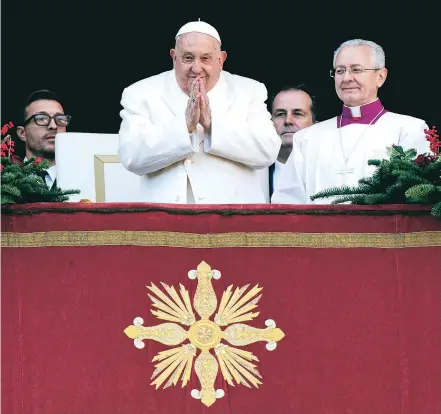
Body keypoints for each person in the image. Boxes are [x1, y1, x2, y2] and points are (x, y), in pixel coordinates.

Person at [117, 20, 281, 204]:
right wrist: (185, 126)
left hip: (234, 216)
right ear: (174, 57)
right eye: (188, 58)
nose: (196, 68)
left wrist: (212, 126)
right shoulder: (141, 93)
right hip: (167, 217)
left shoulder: (248, 90)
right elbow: (131, 156)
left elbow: (268, 151)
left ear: (221, 59)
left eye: (206, 58)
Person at [272, 39, 430, 204]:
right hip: (319, 230)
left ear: (381, 77)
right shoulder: (307, 138)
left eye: (356, 69)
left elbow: (419, 197)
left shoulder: (409, 129)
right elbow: (286, 203)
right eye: (340, 71)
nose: (346, 78)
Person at [16, 89, 71, 188]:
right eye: (41, 118)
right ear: (22, 133)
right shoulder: (5, 180)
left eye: (60, 119)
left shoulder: (86, 179)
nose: (53, 126)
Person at [269, 85, 316, 195]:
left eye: (297, 114)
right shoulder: (253, 172)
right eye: (280, 114)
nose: (288, 120)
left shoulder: (327, 170)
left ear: (316, 124)